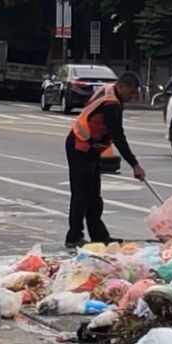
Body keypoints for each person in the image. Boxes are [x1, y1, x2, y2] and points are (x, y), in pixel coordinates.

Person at [65, 71, 147, 248]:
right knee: (81, 194)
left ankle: (99, 235)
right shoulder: (111, 104)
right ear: (122, 86)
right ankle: (73, 237)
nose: (132, 97)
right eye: (131, 92)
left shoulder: (111, 92)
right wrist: (135, 164)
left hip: (91, 147)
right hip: (80, 146)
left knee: (94, 195)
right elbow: (118, 136)